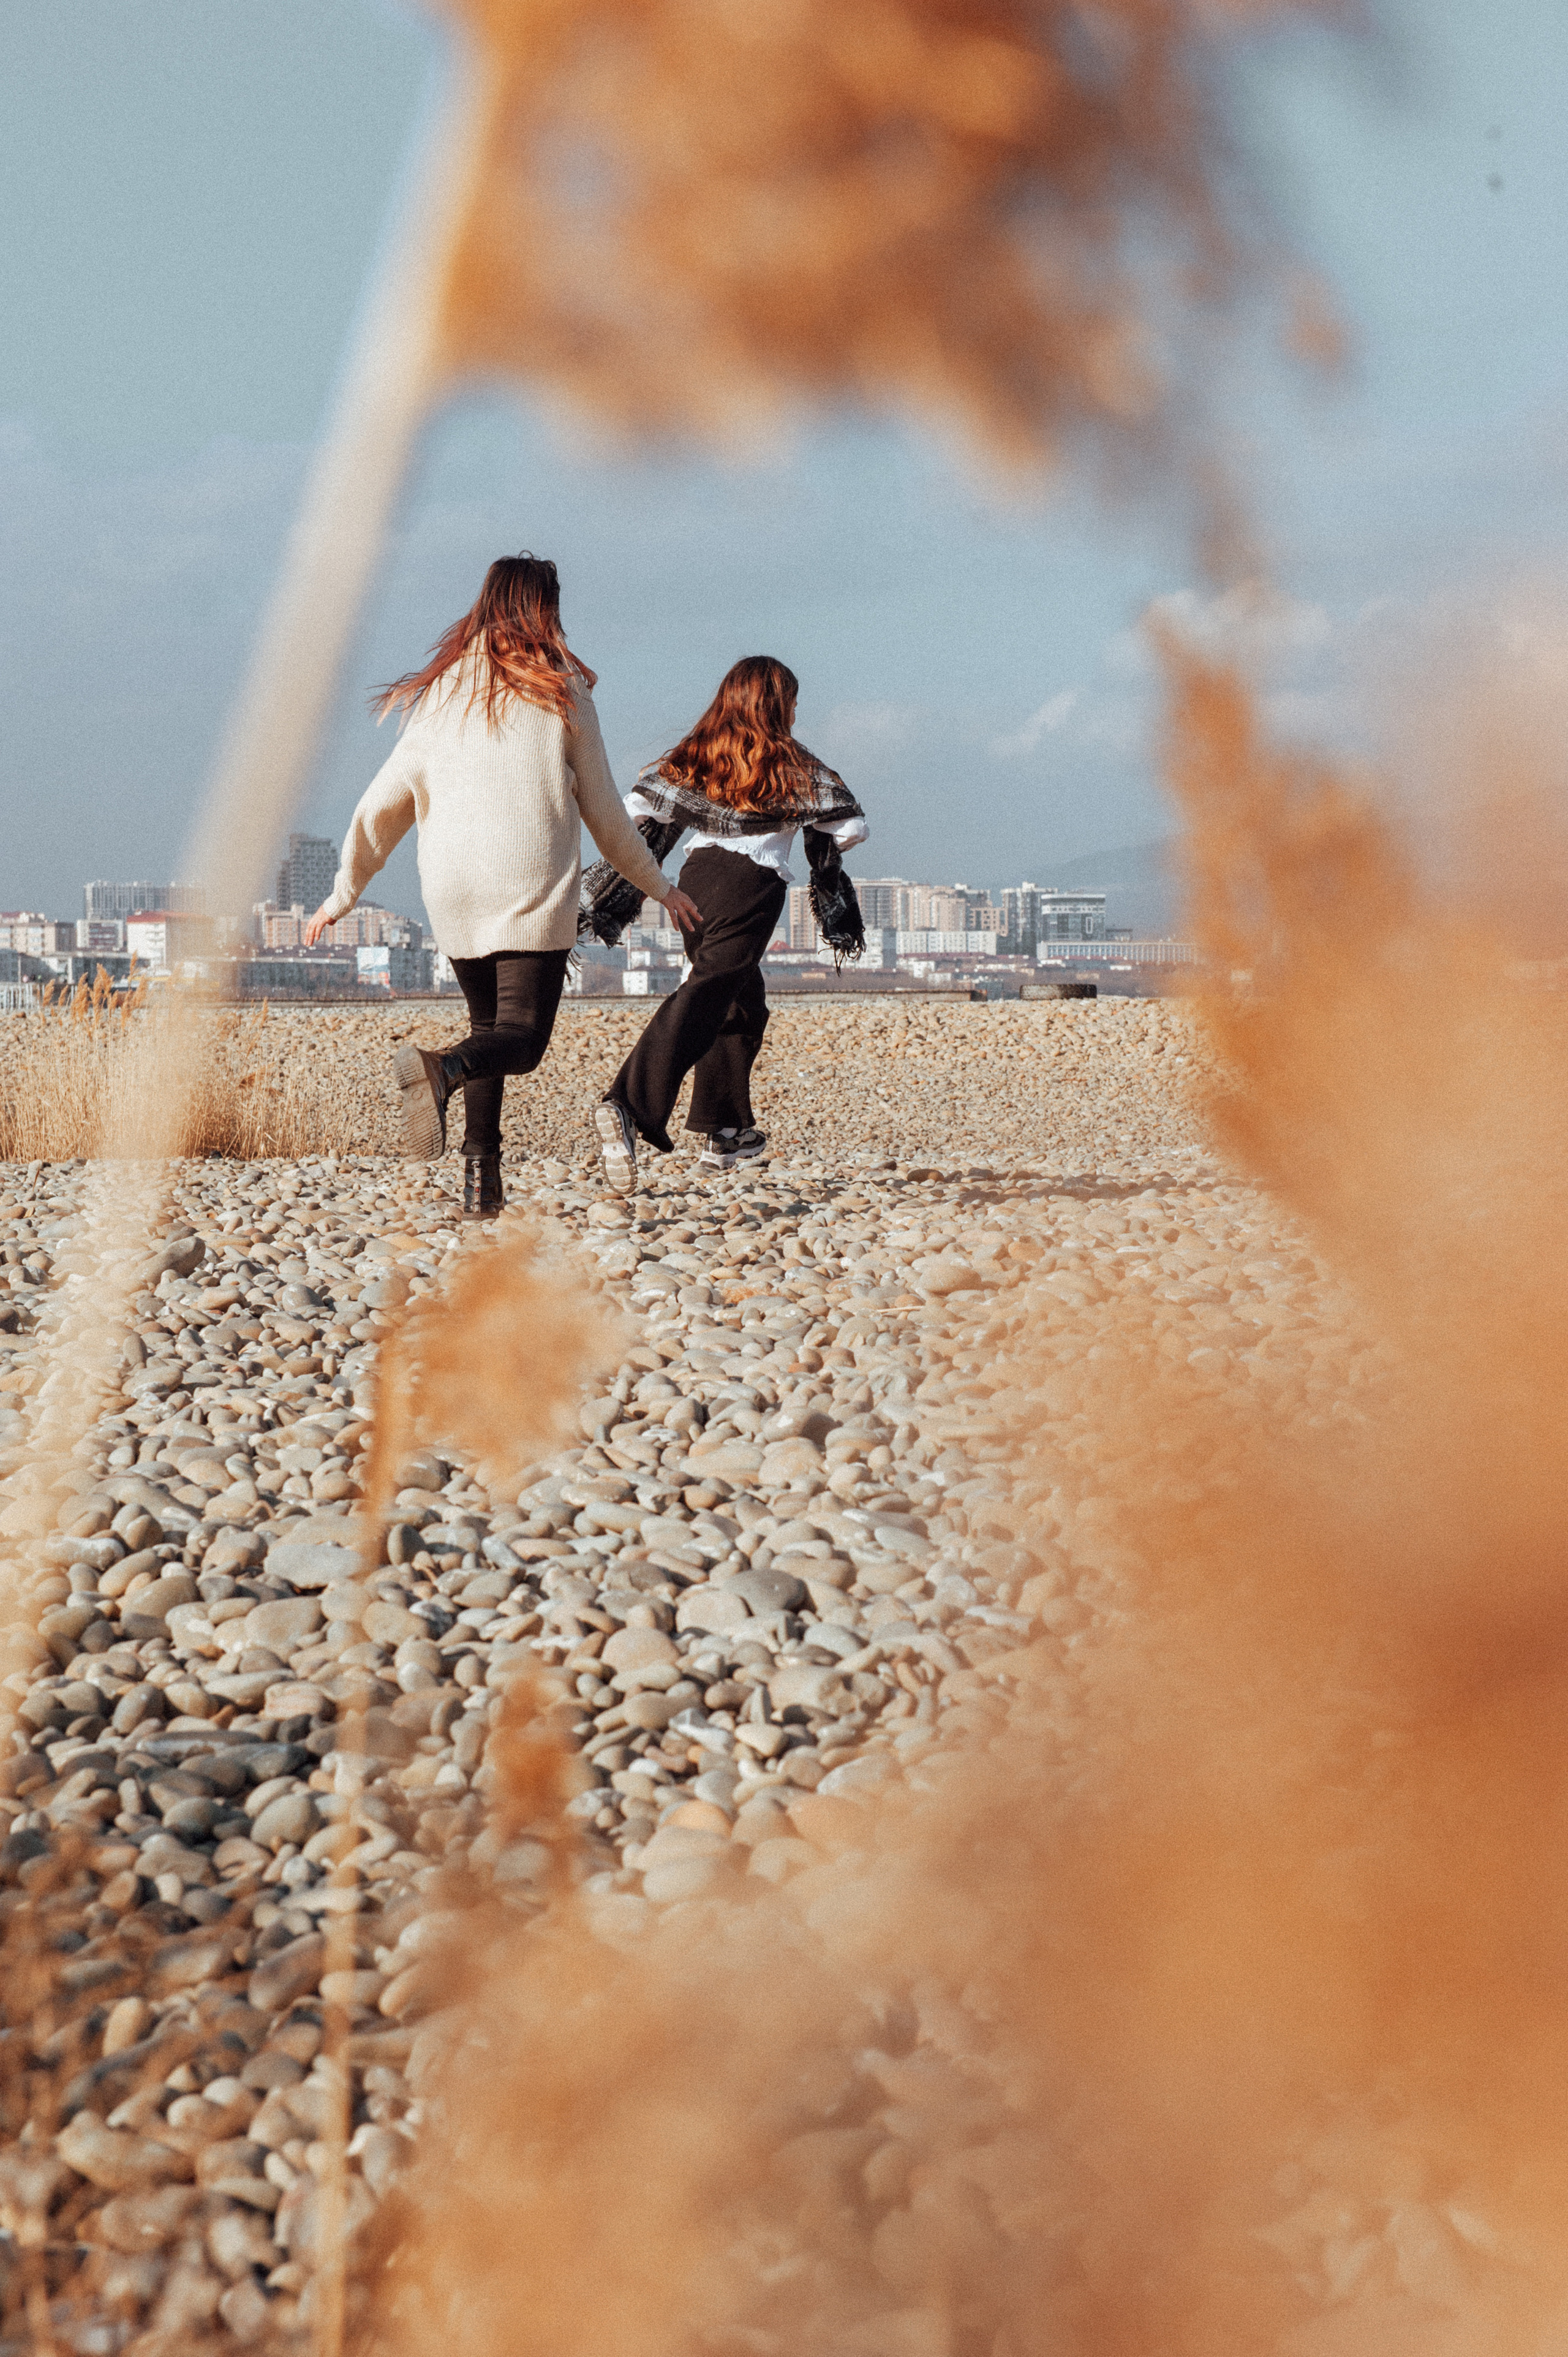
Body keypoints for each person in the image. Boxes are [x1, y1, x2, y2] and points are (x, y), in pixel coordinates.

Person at [303, 554, 699, 1216]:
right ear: (545, 609)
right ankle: (443, 1069)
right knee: (520, 1039)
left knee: (488, 1025)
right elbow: (604, 811)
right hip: (527, 884)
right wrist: (659, 885)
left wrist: (344, 891)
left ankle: (480, 1188)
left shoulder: (440, 695)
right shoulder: (561, 688)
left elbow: (382, 805)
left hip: (453, 890)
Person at [581, 655, 867, 1190]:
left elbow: (638, 805)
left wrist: (712, 811)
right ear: (778, 705)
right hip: (752, 883)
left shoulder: (697, 755)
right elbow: (852, 826)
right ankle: (627, 1104)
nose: (797, 715)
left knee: (740, 999)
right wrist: (799, 823)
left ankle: (727, 1129)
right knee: (710, 990)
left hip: (695, 876)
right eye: (794, 704)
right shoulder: (793, 764)